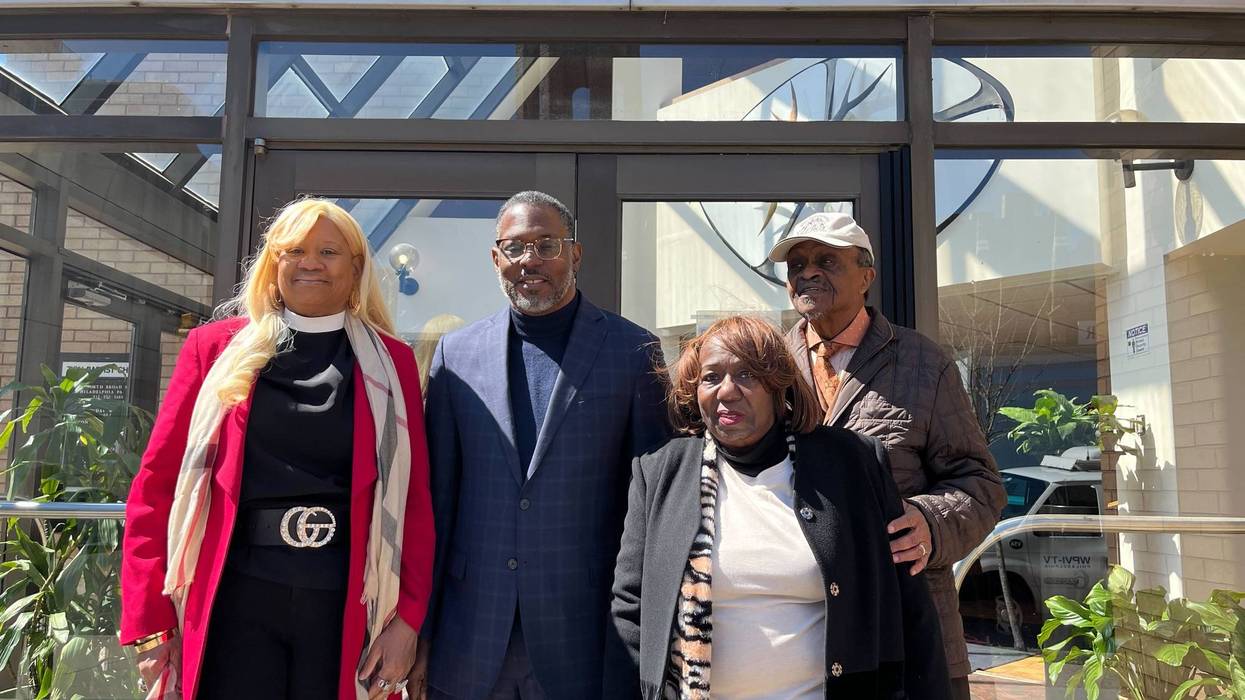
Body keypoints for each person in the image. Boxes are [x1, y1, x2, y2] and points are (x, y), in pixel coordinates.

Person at [120, 198, 434, 700]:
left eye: (329, 251)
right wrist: (149, 620)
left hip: (346, 600)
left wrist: (407, 621)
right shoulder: (214, 349)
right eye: (295, 250)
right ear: (274, 263)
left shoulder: (391, 363)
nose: (311, 262)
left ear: (355, 269)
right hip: (232, 596)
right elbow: (156, 488)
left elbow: (415, 500)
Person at [606, 316, 950, 699]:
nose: (726, 391)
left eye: (747, 375)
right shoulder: (660, 474)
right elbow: (630, 609)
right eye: (710, 377)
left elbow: (911, 608)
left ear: (777, 386)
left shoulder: (852, 464)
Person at [414, 191, 670, 699]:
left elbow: (652, 506)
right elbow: (436, 500)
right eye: (514, 247)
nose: (529, 259)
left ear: (575, 254)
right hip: (470, 636)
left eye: (546, 244)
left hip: (584, 634)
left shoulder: (633, 352)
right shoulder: (456, 355)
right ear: (495, 259)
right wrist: (420, 631)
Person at [767, 211, 1005, 697]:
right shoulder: (770, 364)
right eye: (797, 264)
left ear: (866, 276)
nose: (807, 272)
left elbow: (981, 485)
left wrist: (929, 521)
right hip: (799, 629)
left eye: (826, 261)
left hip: (907, 620)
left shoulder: (923, 363)